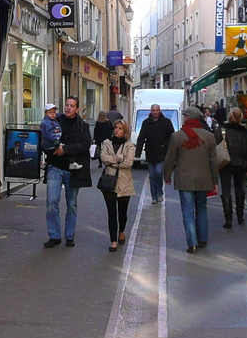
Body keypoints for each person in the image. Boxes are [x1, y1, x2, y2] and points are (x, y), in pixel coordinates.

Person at [164, 106, 219, 254]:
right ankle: (203, 239)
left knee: (188, 211)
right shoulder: (209, 136)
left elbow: (170, 159)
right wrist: (215, 181)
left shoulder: (178, 136)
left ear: (187, 118)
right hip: (204, 178)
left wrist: (167, 175)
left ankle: (192, 243)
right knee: (201, 208)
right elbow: (213, 161)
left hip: (185, 179)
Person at [43, 96, 92, 248]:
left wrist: (65, 150)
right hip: (55, 167)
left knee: (71, 204)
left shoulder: (82, 125)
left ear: (77, 109)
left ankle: (69, 236)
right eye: (66, 105)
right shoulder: (55, 120)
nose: (68, 108)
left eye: (71, 106)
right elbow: (45, 138)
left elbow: (85, 145)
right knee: (51, 201)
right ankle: (54, 235)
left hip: (73, 168)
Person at [99, 118, 136, 252]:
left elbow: (128, 163)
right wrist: (119, 159)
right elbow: (103, 158)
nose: (117, 130)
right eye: (116, 128)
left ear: (125, 131)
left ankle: (121, 231)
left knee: (122, 212)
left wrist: (112, 162)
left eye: (120, 128)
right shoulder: (107, 143)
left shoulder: (129, 145)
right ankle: (113, 240)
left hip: (124, 183)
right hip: (109, 182)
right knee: (111, 213)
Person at [219, 107, 247, 229]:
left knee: (225, 189)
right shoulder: (246, 132)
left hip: (225, 162)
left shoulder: (222, 131)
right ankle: (240, 215)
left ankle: (228, 218)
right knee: (239, 188)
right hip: (240, 163)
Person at [135, 104, 175, 203]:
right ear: (151, 111)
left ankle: (159, 192)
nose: (155, 112)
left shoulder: (166, 122)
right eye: (153, 110)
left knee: (158, 172)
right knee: (152, 175)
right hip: (150, 152)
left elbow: (171, 135)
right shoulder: (146, 123)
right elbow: (141, 137)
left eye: (157, 110)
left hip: (161, 153)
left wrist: (165, 145)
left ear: (160, 111)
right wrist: (138, 152)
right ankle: (154, 196)